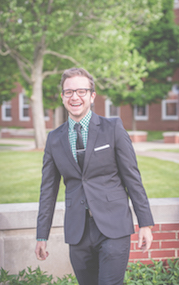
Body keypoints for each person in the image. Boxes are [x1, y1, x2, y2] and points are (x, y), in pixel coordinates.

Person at [35, 67, 154, 285]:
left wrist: (145, 223)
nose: (75, 97)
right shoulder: (54, 139)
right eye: (68, 92)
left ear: (92, 96)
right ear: (62, 97)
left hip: (113, 227)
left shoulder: (113, 128)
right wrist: (41, 235)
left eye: (81, 91)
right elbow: (48, 191)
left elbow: (132, 179)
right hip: (77, 231)